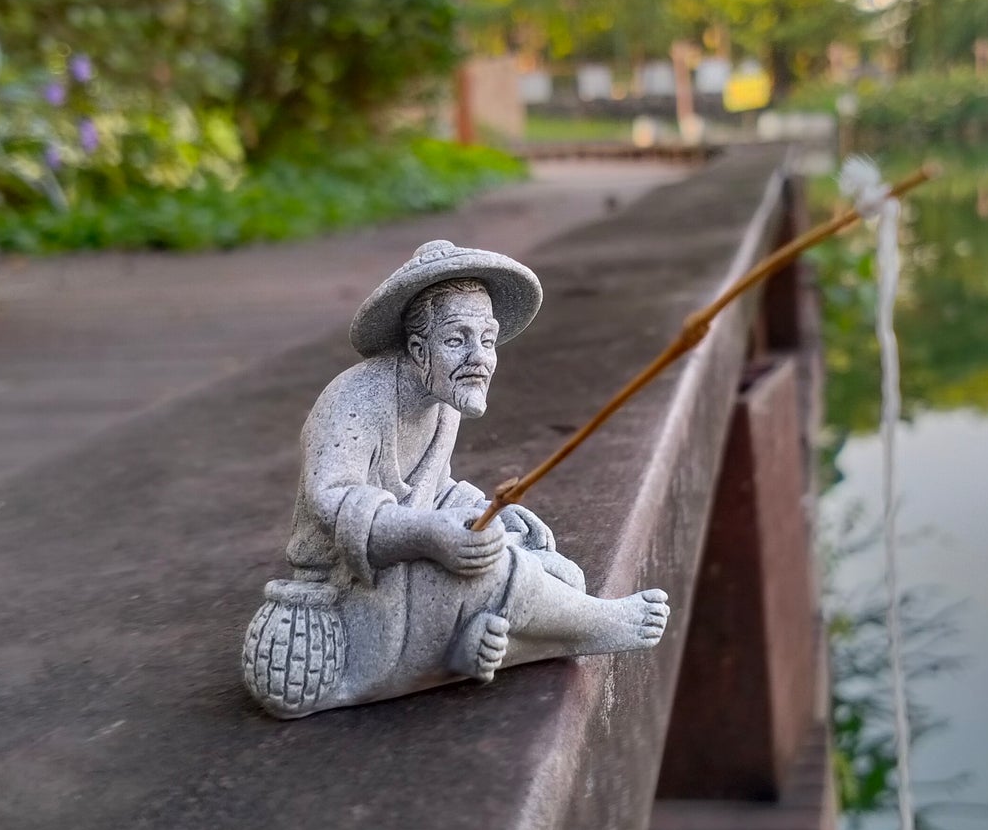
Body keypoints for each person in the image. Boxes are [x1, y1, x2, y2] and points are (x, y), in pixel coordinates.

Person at [243, 240, 669, 717]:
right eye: (456, 340)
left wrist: (491, 511)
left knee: (558, 572)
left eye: (487, 340)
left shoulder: (441, 403)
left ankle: (479, 651)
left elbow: (434, 488)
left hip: (411, 567)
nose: (479, 358)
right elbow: (332, 502)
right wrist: (429, 534)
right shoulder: (355, 401)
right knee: (490, 568)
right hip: (354, 591)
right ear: (419, 348)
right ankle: (595, 626)